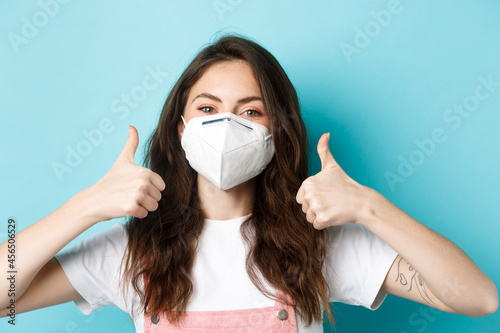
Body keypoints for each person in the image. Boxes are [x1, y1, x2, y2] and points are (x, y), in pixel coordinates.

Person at [0, 35, 498, 333]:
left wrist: (369, 207)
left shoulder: (317, 246)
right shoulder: (135, 252)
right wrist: (84, 207)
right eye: (208, 108)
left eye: (250, 111)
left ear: (275, 132)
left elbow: (478, 299)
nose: (225, 125)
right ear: (181, 129)